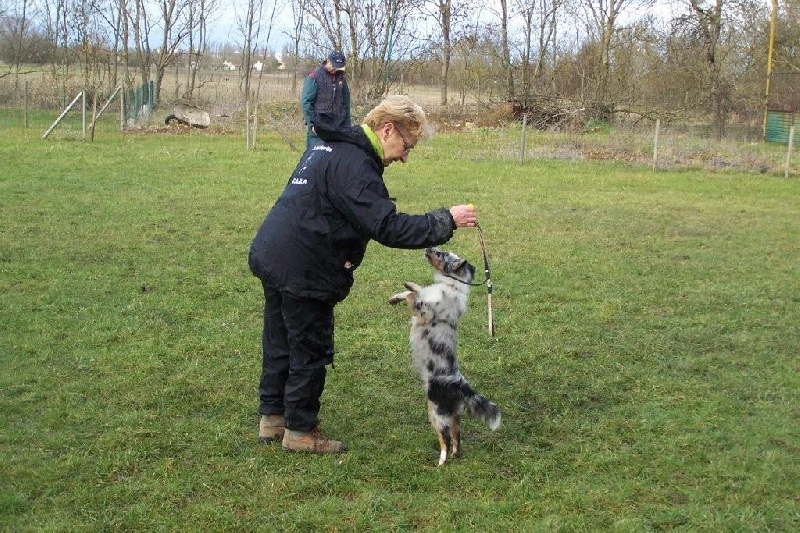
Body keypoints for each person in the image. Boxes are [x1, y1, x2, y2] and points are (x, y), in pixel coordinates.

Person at [248, 95, 478, 454]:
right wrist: (446, 219)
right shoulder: (355, 164)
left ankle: (273, 418)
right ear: (387, 129)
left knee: (280, 340)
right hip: (304, 265)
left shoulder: (331, 147)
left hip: (274, 252)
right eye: (407, 146)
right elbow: (388, 227)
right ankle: (299, 431)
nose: (405, 157)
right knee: (309, 347)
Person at [300, 51, 351, 150]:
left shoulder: (341, 79)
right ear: (328, 61)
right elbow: (306, 103)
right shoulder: (314, 76)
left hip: (337, 126)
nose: (335, 69)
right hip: (319, 126)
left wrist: (347, 126)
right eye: (334, 65)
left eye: (338, 66)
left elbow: (346, 103)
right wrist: (311, 124)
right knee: (314, 157)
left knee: (336, 158)